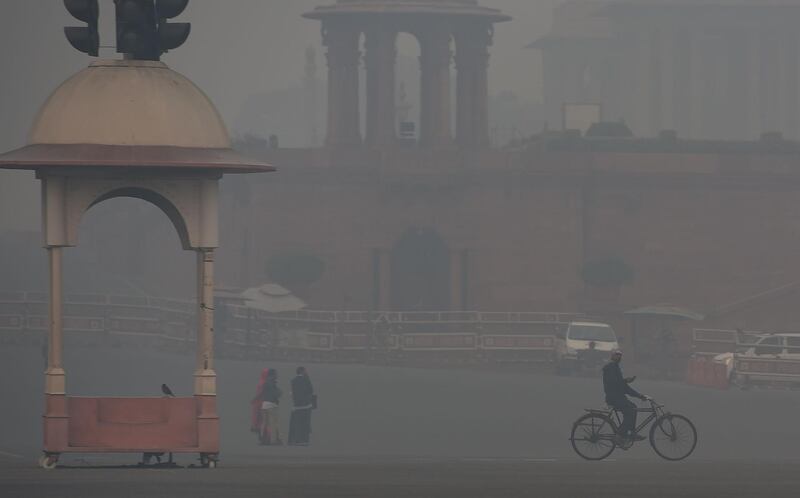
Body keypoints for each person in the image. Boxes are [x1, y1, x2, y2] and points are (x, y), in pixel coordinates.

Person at [602, 350, 648, 442]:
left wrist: (639, 395)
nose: (618, 357)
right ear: (612, 356)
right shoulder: (611, 367)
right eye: (616, 355)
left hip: (618, 397)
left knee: (633, 408)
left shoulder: (615, 367)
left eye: (620, 355)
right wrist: (626, 381)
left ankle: (632, 432)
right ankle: (619, 435)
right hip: (614, 397)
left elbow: (623, 386)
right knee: (630, 411)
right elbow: (618, 384)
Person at [288, 366, 315, 446]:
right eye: (305, 371)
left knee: (297, 423)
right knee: (305, 423)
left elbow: (294, 392)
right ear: (302, 371)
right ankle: (304, 440)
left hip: (296, 405)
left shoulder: (293, 381)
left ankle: (296, 440)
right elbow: (311, 390)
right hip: (306, 405)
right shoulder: (306, 379)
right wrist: (307, 377)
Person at [258, 368, 283, 445]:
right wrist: (280, 392)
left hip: (264, 404)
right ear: (273, 374)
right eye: (276, 373)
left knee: (264, 423)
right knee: (274, 423)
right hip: (271, 404)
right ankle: (274, 440)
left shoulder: (265, 382)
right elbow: (276, 393)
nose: (277, 375)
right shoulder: (272, 382)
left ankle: (262, 439)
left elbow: (262, 393)